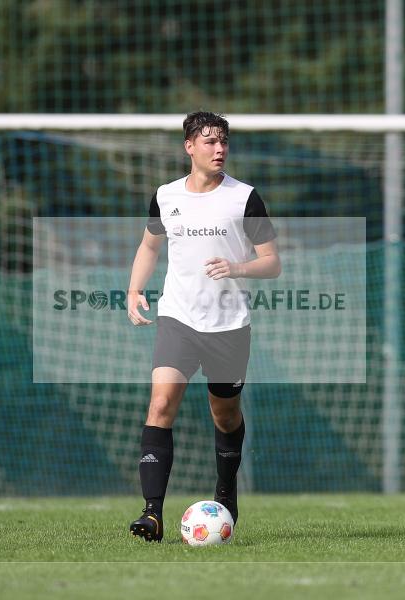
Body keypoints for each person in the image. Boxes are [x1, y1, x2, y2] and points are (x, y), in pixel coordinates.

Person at [126, 111, 281, 542]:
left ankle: (226, 492)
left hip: (229, 326)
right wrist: (134, 289)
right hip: (178, 319)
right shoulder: (166, 196)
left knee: (225, 414)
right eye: (210, 141)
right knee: (160, 405)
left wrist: (237, 267)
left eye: (224, 142)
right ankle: (152, 514)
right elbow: (149, 245)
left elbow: (273, 263)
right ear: (189, 147)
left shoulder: (245, 198)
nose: (220, 149)